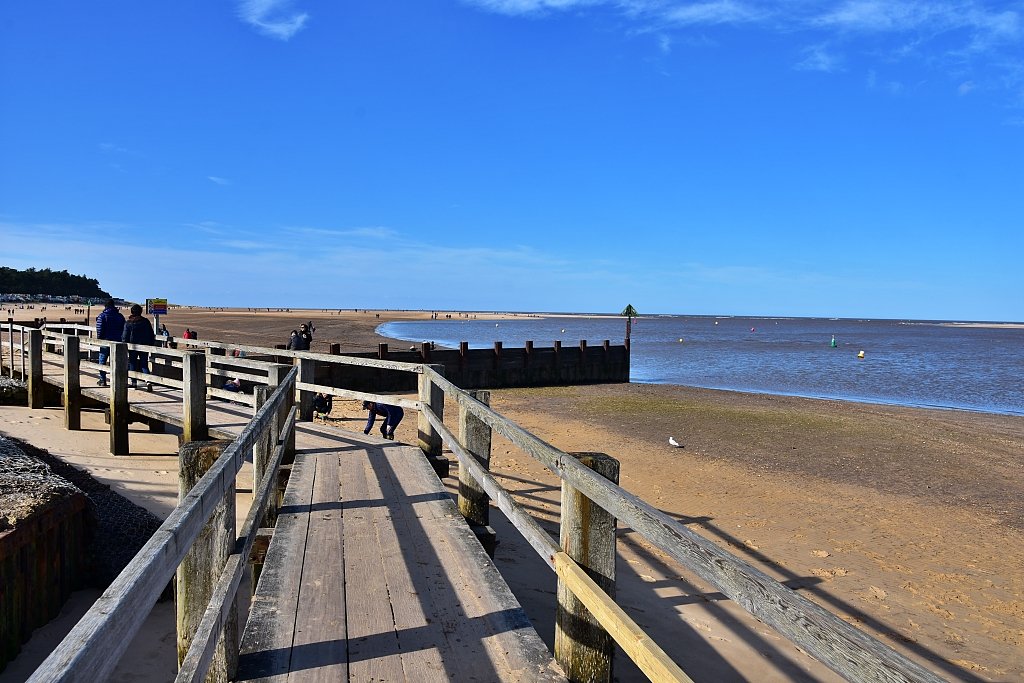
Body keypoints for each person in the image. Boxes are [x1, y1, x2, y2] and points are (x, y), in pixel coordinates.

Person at [122, 304, 156, 391]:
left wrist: (124, 345)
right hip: (144, 345)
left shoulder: (129, 322)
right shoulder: (145, 321)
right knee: (144, 364)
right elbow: (151, 334)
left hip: (133, 346)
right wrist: (151, 345)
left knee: (132, 363)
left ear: (132, 312)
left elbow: (125, 336)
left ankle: (134, 383)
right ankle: (148, 381)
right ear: (140, 312)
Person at [95, 299, 125, 387]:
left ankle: (102, 379)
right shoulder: (120, 316)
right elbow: (124, 328)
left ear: (105, 306)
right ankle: (116, 379)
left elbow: (99, 329)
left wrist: (100, 338)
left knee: (102, 360)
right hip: (118, 342)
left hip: (106, 340)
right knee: (116, 361)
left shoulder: (102, 316)